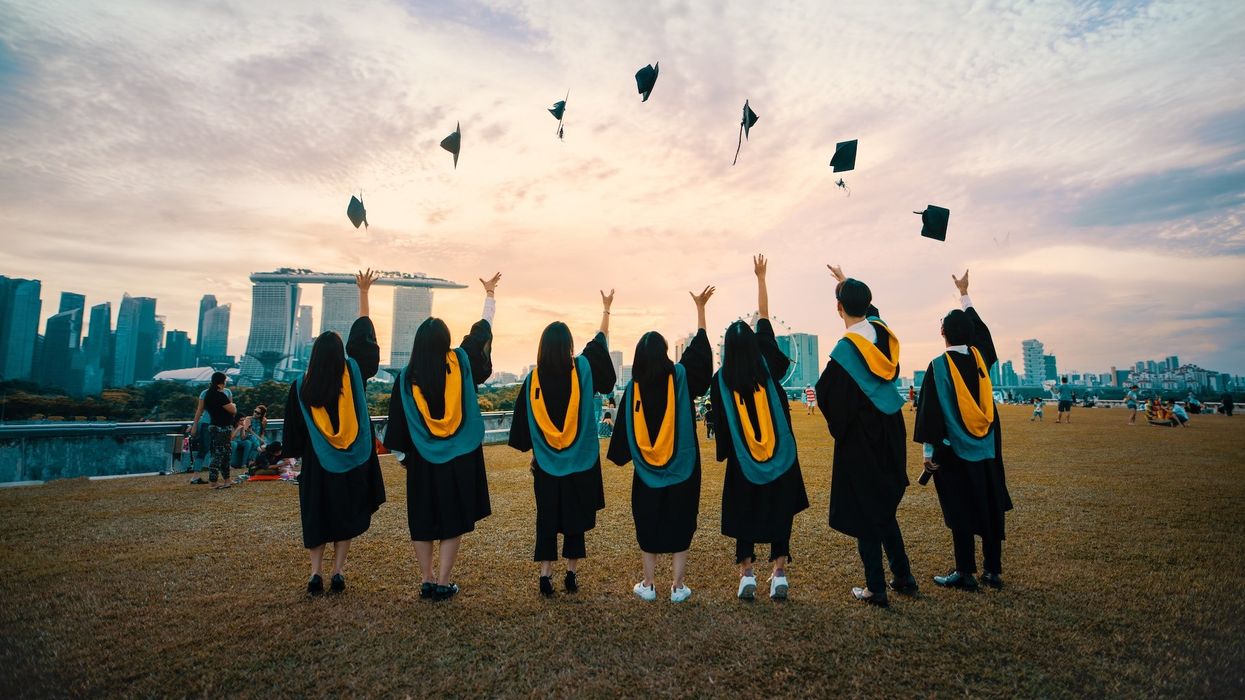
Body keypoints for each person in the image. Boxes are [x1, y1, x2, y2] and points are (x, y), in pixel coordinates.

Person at [384, 273, 500, 602]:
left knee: (422, 518)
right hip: (459, 458)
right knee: (452, 519)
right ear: (446, 340)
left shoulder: (407, 379)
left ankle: (426, 578)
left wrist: (406, 458)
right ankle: (444, 581)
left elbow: (396, 427)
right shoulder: (461, 361)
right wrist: (489, 296)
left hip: (422, 459)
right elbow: (480, 333)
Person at [814, 264, 914, 607]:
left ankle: (876, 588)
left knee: (864, 509)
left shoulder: (845, 352)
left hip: (862, 437)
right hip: (892, 425)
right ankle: (903, 576)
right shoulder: (884, 335)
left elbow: (826, 393)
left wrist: (842, 427)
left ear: (838, 308)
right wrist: (846, 284)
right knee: (884, 506)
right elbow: (871, 312)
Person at [710, 255, 809, 601]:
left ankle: (746, 573)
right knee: (780, 510)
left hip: (743, 460)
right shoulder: (767, 365)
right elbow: (765, 317)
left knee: (744, 514)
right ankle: (779, 573)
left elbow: (719, 423)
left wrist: (727, 451)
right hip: (780, 455)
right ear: (754, 345)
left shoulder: (720, 381)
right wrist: (761, 278)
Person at [283, 269, 386, 596]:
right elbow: (364, 340)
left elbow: (294, 436)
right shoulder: (353, 373)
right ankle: (338, 572)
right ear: (341, 355)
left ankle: (315, 574)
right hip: (352, 462)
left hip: (317, 464)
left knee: (318, 518)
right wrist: (364, 294)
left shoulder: (300, 386)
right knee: (345, 515)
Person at [608, 285, 714, 603]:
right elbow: (701, 359)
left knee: (649, 522)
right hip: (684, 467)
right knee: (682, 521)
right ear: (666, 353)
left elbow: (622, 439)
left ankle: (649, 584)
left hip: (647, 474)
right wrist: (701, 310)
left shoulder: (633, 390)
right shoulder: (680, 375)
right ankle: (678, 587)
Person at [509, 290, 617, 597]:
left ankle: (545, 577)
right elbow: (600, 343)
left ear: (542, 347)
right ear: (569, 346)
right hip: (580, 464)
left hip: (546, 466)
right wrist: (606, 310)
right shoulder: (582, 368)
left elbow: (523, 428)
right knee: (574, 519)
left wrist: (538, 452)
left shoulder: (533, 382)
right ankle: (570, 575)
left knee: (546, 519)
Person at [914, 269, 1013, 591]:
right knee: (989, 504)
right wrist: (965, 294)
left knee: (959, 508)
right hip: (987, 449)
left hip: (953, 451)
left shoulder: (938, 366)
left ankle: (965, 572)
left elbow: (930, 413)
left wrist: (928, 453)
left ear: (942, 332)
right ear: (970, 334)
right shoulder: (981, 359)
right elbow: (983, 335)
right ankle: (993, 571)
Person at [190, 371, 237, 489]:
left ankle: (225, 479)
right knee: (207, 449)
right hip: (210, 424)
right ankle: (198, 476)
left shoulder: (225, 392)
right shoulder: (208, 393)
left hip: (219, 424)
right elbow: (200, 410)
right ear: (222, 381)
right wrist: (195, 425)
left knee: (220, 452)